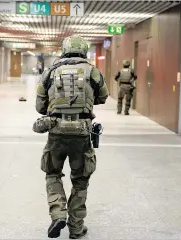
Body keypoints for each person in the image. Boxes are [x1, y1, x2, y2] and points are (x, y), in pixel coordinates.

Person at [34, 35, 108, 239]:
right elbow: (103, 96)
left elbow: (40, 106)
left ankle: (58, 214)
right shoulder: (93, 71)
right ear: (84, 50)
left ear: (64, 50)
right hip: (82, 133)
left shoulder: (50, 71)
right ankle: (76, 228)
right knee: (80, 180)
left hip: (56, 132)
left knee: (52, 173)